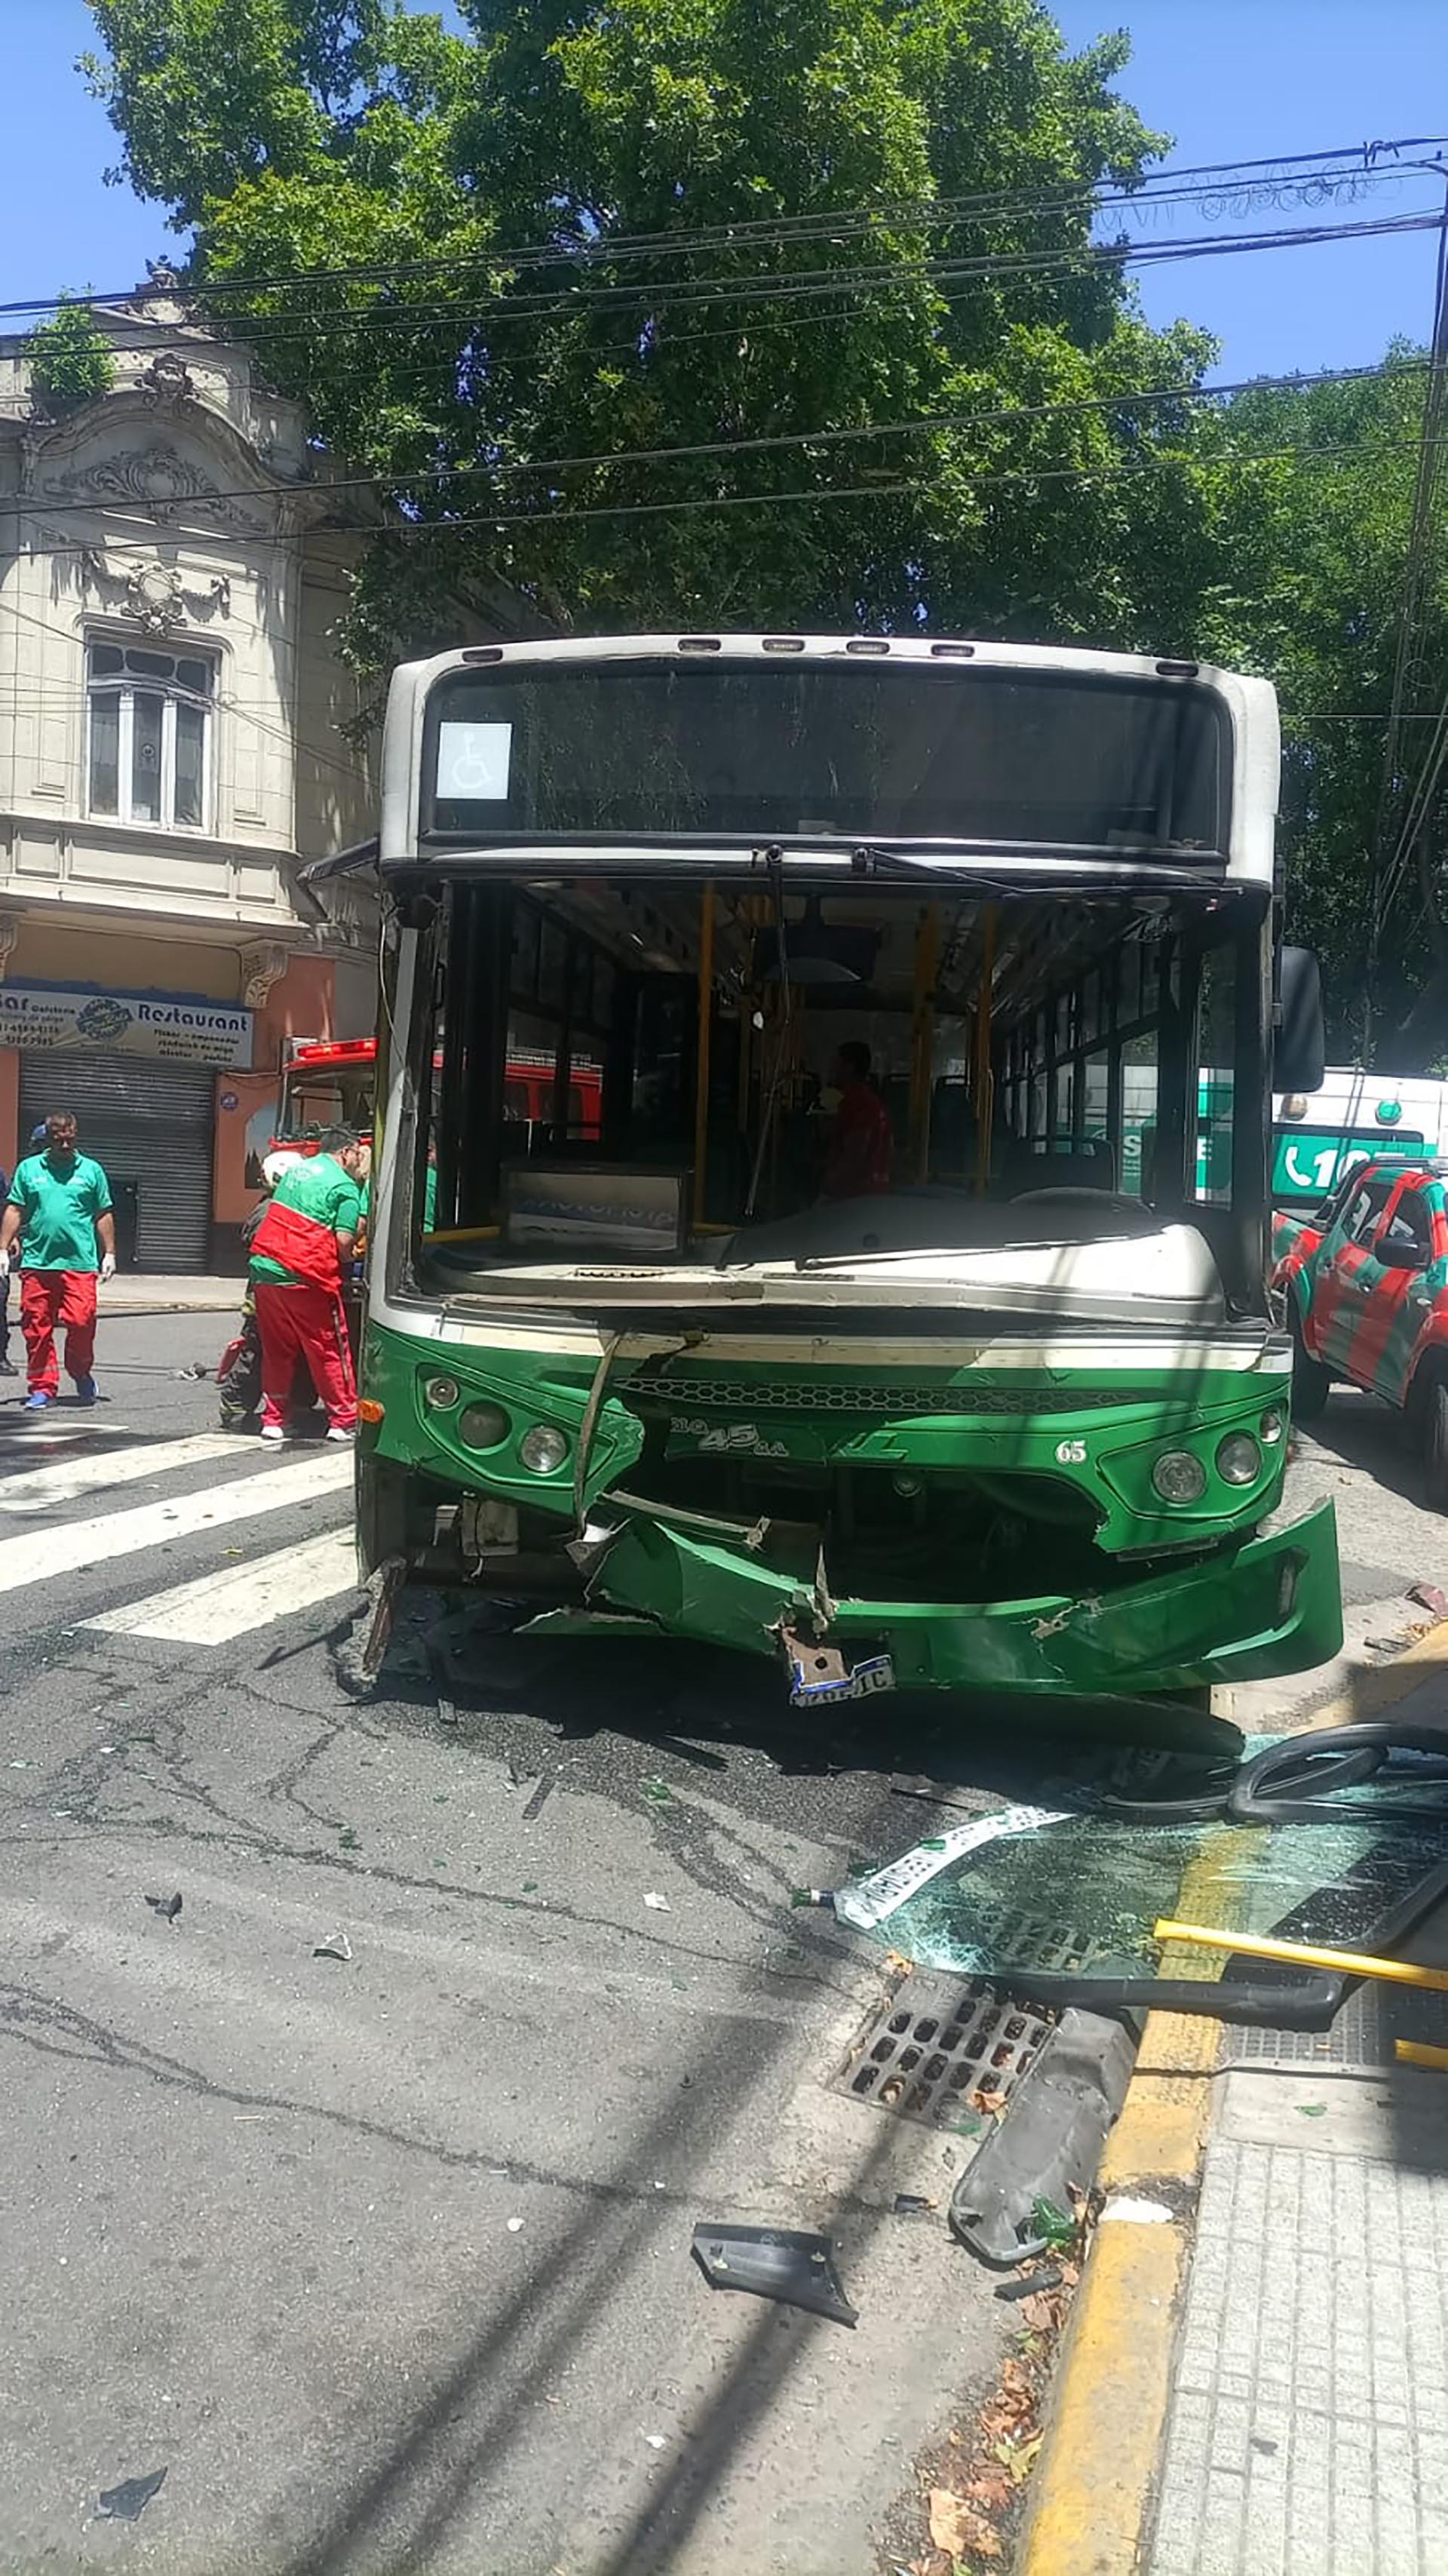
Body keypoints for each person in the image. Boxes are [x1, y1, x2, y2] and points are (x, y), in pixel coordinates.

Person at [248, 1123, 369, 1443]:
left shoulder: (296, 1172)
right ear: (346, 1152)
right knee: (329, 1349)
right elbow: (344, 1243)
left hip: (266, 1269)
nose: (360, 1161)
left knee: (277, 1350)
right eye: (359, 1155)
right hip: (307, 1275)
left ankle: (274, 1420)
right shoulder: (344, 1186)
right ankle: (344, 1420)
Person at [0, 1112, 116, 1409]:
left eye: (70, 1139)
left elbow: (103, 1212)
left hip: (79, 1263)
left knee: (81, 1320)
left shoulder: (91, 1170)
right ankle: (43, 1387)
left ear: (75, 1135)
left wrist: (110, 1253)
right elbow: (15, 1209)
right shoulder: (29, 1170)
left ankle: (80, 1371)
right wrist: (2, 1247)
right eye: (58, 1139)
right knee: (36, 1326)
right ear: (47, 1138)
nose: (65, 1145)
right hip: (38, 1263)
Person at [821, 1040, 894, 1199]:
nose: (832, 1069)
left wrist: (829, 1188)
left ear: (849, 1067)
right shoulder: (873, 1103)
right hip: (873, 1193)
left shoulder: (857, 1103)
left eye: (837, 1063)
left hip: (854, 1196)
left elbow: (855, 1153)